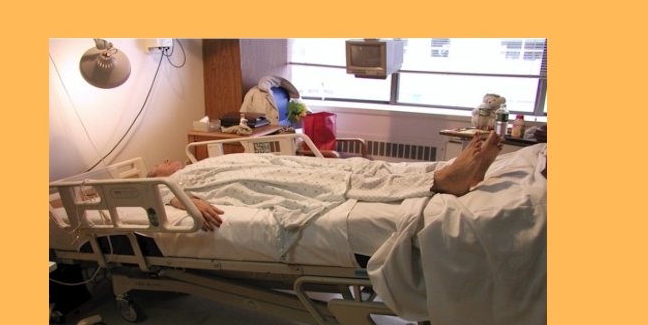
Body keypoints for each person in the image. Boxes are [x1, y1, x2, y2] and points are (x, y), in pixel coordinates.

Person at [147, 131, 503, 232]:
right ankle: (441, 180)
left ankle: (448, 172)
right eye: (159, 164)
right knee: (345, 182)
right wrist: (188, 201)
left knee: (355, 170)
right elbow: (162, 197)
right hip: (259, 178)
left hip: (264, 165)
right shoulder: (171, 183)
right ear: (158, 177)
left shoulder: (197, 163)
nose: (165, 161)